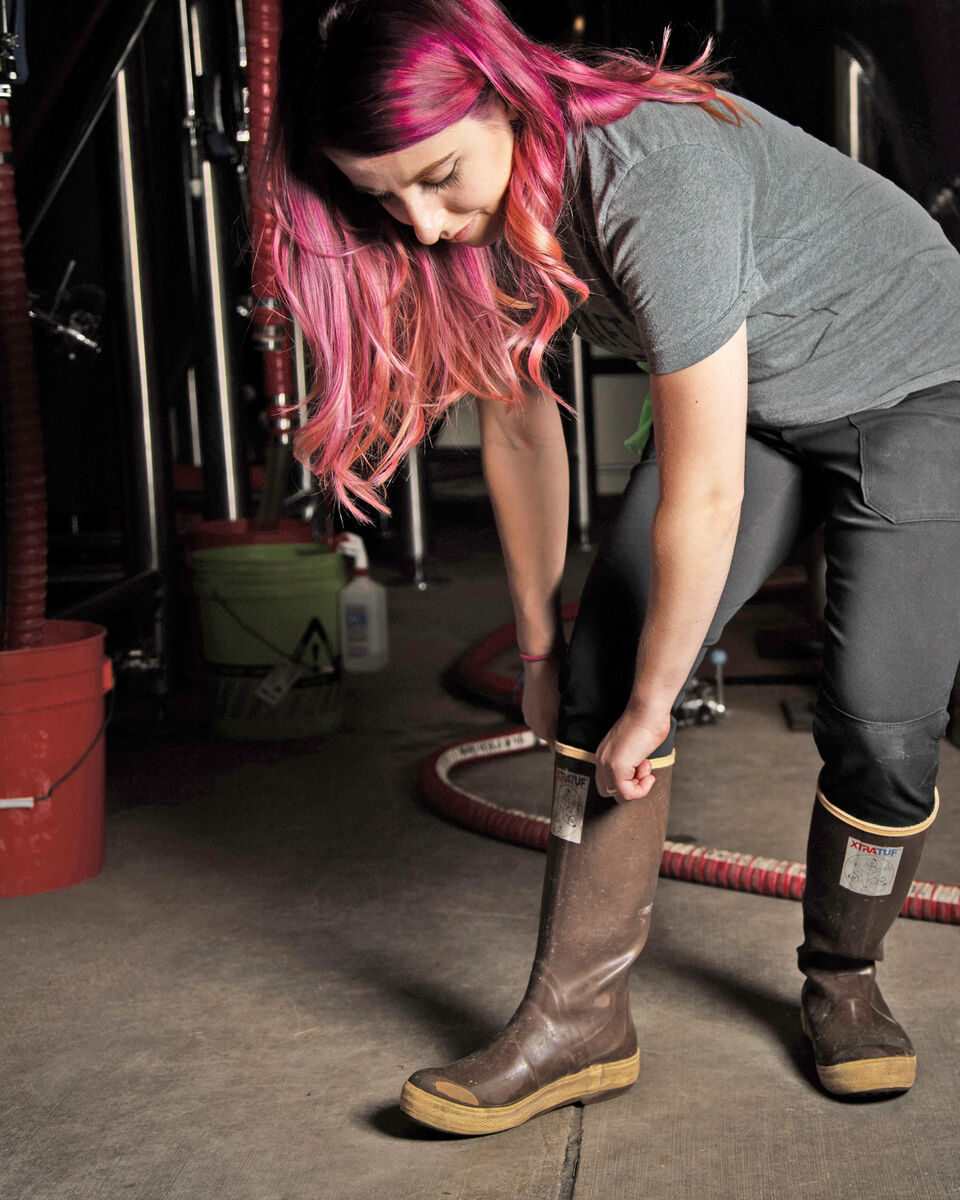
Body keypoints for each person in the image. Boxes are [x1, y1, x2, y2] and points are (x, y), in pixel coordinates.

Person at [267, 0, 960, 1135]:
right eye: (383, 197)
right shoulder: (469, 224)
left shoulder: (652, 174)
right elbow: (519, 428)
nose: (426, 226)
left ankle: (846, 980)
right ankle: (577, 1023)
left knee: (884, 727)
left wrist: (655, 703)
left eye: (439, 176)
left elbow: (704, 488)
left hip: (918, 380)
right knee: (601, 664)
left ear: (503, 95)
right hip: (768, 398)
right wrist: (547, 650)